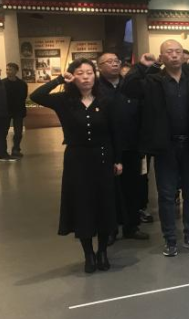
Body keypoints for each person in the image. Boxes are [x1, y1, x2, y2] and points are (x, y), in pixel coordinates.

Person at [30, 59, 122, 273]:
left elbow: (115, 132)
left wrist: (118, 160)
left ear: (95, 75)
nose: (86, 77)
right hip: (77, 160)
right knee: (83, 205)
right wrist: (60, 80)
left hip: (103, 157)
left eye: (89, 72)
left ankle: (102, 251)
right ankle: (88, 254)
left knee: (104, 204)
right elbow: (36, 96)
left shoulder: (106, 100)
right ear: (73, 77)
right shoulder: (64, 100)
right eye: (80, 73)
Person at [122, 40, 189, 257]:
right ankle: (170, 239)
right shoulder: (153, 81)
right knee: (167, 195)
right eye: (169, 52)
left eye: (178, 51)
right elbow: (128, 88)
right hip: (165, 147)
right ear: (161, 57)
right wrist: (144, 66)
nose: (174, 55)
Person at [96, 52, 149, 244]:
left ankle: (132, 226)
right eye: (108, 62)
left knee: (133, 187)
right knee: (109, 190)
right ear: (99, 67)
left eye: (116, 61)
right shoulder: (96, 88)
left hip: (132, 145)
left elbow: (143, 112)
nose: (114, 64)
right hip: (107, 147)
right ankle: (110, 229)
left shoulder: (130, 85)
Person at [3, 62, 28, 159]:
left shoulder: (22, 84)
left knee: (18, 132)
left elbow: (24, 96)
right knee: (3, 131)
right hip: (6, 111)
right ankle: (0, 150)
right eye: (7, 69)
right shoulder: (2, 83)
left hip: (18, 111)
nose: (8, 71)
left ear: (16, 71)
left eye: (10, 69)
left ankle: (16, 149)